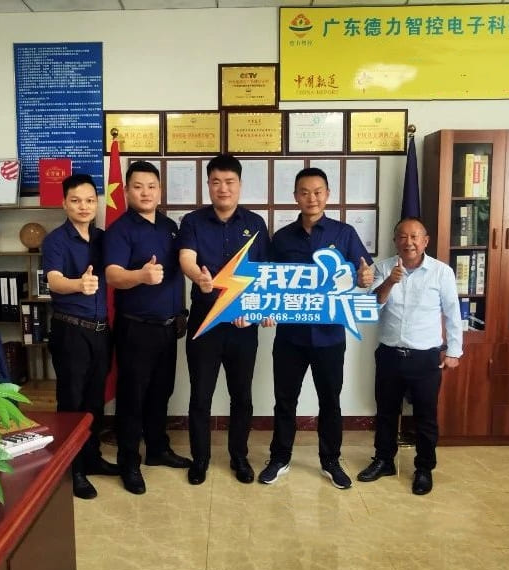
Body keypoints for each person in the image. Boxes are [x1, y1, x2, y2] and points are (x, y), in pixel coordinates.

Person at [257, 167, 374, 489]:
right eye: (305, 192)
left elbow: (364, 273)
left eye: (318, 191)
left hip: (329, 335)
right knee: (285, 401)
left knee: (330, 401)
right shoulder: (282, 238)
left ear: (328, 194)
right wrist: (266, 310)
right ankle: (279, 458)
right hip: (290, 337)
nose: (312, 198)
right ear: (295, 196)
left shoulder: (344, 233)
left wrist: (366, 278)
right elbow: (268, 281)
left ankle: (330, 461)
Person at [178, 154, 270, 486]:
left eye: (229, 182)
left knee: (241, 396)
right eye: (216, 182)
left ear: (240, 184)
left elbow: (264, 274)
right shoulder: (193, 221)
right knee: (200, 396)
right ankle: (200, 459)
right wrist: (198, 277)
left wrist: (259, 312)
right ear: (208, 185)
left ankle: (239, 457)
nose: (223, 188)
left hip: (243, 324)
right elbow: (186, 258)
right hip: (205, 323)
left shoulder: (256, 223)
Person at [357, 217, 463, 495]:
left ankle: (424, 468)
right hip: (390, 354)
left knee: (425, 416)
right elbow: (370, 308)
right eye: (403, 237)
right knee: (386, 412)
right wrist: (390, 282)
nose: (409, 242)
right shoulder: (382, 268)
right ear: (395, 241)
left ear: (425, 241)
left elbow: (453, 313)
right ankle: (384, 461)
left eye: (415, 237)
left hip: (425, 357)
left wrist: (454, 351)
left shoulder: (441, 272)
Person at [104, 160, 191, 495]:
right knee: (132, 397)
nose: (145, 192)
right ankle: (129, 461)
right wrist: (140, 275)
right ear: (127, 191)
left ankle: (157, 448)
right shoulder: (121, 229)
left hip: (169, 327)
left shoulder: (170, 227)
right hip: (136, 329)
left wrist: (181, 310)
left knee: (161, 391)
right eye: (138, 187)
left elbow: (180, 270)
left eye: (151, 186)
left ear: (160, 190)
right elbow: (112, 274)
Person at [42, 173, 119, 500]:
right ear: (64, 204)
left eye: (89, 200)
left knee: (94, 400)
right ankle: (71, 469)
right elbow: (54, 280)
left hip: (100, 331)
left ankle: (92, 457)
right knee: (72, 402)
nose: (84, 206)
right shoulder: (56, 240)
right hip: (71, 329)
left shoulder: (104, 238)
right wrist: (78, 284)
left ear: (97, 203)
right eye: (76, 201)